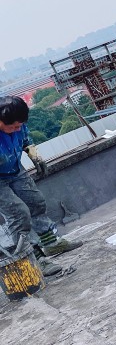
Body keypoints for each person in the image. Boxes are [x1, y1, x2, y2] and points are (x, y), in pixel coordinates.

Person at [0, 95, 82, 278]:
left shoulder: (16, 123)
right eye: (13, 127)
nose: (17, 129)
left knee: (35, 202)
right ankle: (35, 259)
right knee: (18, 214)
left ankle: (51, 243)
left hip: (14, 169)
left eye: (19, 125)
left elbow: (24, 137)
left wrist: (33, 153)